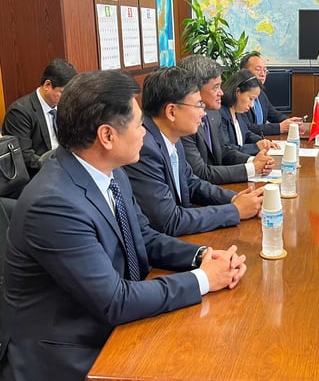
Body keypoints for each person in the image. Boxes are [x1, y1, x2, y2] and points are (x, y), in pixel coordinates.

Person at [0, 70, 248, 381]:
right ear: (107, 136)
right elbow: (114, 300)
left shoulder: (111, 171)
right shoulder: (53, 203)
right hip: (69, 351)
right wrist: (202, 280)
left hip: (115, 324)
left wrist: (201, 256)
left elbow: (142, 236)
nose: (145, 132)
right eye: (137, 124)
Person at [124, 67, 263, 236]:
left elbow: (192, 184)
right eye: (198, 105)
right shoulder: (144, 149)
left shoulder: (171, 137)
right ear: (172, 112)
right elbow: (169, 221)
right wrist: (235, 211)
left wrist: (234, 199)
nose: (203, 113)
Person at [177, 55, 275, 185]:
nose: (221, 93)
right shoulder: (184, 124)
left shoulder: (213, 115)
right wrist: (251, 168)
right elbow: (200, 173)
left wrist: (254, 161)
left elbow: (223, 151)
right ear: (194, 89)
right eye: (215, 87)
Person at [2, 59, 77, 177]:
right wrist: (59, 167)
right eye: (62, 93)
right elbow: (24, 156)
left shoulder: (64, 106)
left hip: (63, 167)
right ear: (47, 85)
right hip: (38, 174)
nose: (67, 98)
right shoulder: (20, 112)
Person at [239, 51, 303, 135]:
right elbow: (248, 128)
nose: (262, 74)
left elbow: (274, 115)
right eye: (258, 69)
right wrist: (279, 127)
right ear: (244, 71)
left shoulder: (261, 94)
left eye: (265, 71)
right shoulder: (239, 96)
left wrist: (290, 122)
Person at [219, 70, 279, 156]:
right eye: (251, 99)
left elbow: (247, 134)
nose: (251, 105)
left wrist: (263, 142)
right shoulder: (221, 114)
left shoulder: (238, 112)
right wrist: (256, 147)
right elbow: (227, 150)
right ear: (238, 91)